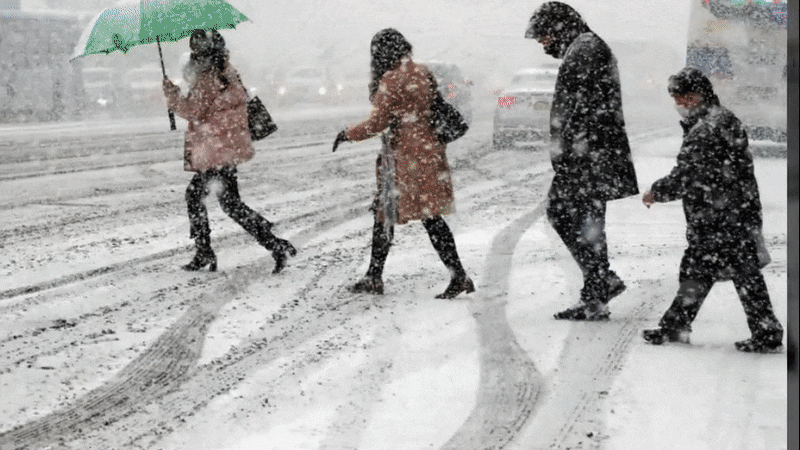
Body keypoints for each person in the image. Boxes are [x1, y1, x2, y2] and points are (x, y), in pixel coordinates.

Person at [641, 67, 783, 353]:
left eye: (680, 99)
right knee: (730, 271)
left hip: (718, 215)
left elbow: (689, 174)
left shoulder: (707, 129)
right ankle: (763, 332)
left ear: (693, 97)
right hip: (734, 211)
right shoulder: (722, 118)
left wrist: (657, 191)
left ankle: (679, 326)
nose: (678, 106)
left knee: (708, 269)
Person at [331, 28, 474, 299]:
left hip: (406, 157)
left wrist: (347, 133)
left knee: (397, 213)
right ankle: (454, 275)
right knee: (417, 214)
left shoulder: (391, 79)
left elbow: (377, 123)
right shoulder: (422, 72)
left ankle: (380, 277)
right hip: (429, 149)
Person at [525, 2, 639, 320]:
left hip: (587, 155)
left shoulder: (585, 48)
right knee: (589, 221)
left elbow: (581, 106)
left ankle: (600, 283)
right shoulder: (585, 46)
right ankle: (596, 293)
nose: (542, 42)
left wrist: (568, 149)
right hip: (591, 153)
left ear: (559, 27)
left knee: (562, 213)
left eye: (544, 35)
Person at [162, 29, 295, 273]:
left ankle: (207, 252)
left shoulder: (209, 78)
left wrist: (171, 95)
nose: (194, 53)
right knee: (229, 203)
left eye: (198, 48)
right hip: (226, 149)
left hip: (216, 150)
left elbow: (193, 111)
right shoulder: (227, 71)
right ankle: (274, 244)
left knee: (198, 197)